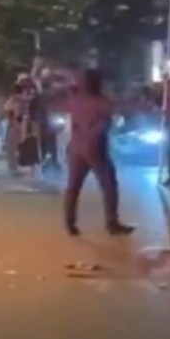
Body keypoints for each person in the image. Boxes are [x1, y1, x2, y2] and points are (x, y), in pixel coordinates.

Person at [63, 68, 134, 236]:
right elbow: (106, 124)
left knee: (73, 186)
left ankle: (69, 223)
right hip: (95, 148)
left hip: (76, 147)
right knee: (108, 184)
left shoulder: (74, 100)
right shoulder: (101, 102)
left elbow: (72, 122)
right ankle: (111, 222)